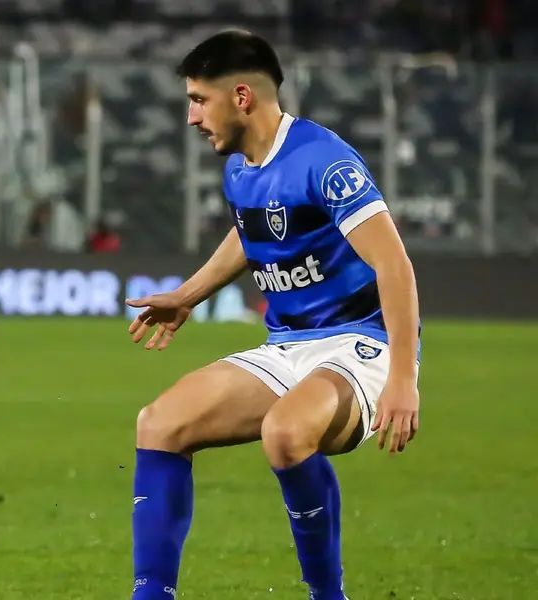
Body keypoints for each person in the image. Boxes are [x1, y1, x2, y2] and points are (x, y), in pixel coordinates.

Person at [125, 31, 421, 600]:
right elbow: (249, 233)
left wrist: (404, 379)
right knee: (158, 424)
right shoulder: (240, 167)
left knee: (284, 433)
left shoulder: (323, 161)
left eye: (198, 99)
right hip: (287, 345)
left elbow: (395, 266)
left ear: (241, 97)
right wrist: (189, 294)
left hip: (360, 343)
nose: (191, 117)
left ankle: (326, 596)